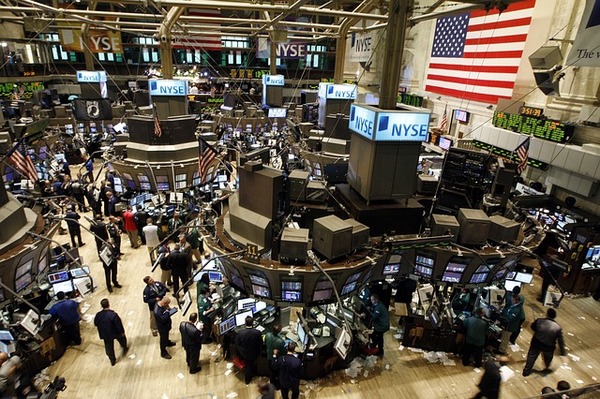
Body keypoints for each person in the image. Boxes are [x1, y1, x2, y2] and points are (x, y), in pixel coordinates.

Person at [523, 308, 567, 377]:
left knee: (531, 357)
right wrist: (563, 353)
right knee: (548, 358)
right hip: (548, 346)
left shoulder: (540, 321)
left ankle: (526, 371)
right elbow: (560, 342)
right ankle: (546, 368)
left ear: (547, 314)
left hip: (536, 343)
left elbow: (533, 327)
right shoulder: (558, 328)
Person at [93, 298, 128, 366]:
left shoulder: (98, 315)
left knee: (108, 347)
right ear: (108, 304)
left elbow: (95, 323)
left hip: (105, 334)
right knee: (122, 339)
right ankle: (124, 346)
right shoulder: (113, 314)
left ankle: (112, 360)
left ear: (101, 306)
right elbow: (118, 325)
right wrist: (122, 332)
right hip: (114, 332)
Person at [234, 316, 263, 384]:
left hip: (244, 354)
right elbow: (260, 343)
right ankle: (249, 378)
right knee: (250, 365)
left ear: (245, 323)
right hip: (255, 353)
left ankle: (247, 380)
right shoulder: (257, 332)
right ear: (253, 323)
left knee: (249, 365)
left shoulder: (240, 333)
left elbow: (236, 343)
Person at [265, 324, 286, 388]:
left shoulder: (267, 335)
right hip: (276, 359)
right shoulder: (281, 341)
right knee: (278, 373)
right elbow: (283, 353)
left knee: (271, 372)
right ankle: (277, 386)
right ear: (279, 331)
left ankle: (272, 384)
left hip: (269, 356)